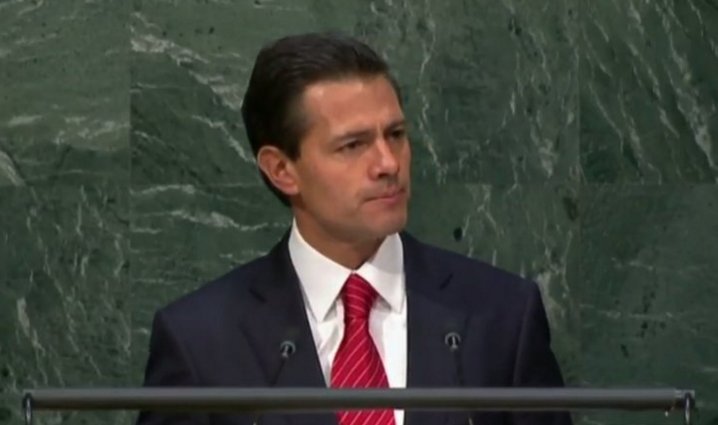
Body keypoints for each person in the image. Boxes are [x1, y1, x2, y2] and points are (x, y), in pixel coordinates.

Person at [137, 32, 572, 425]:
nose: (388, 163)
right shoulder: (201, 339)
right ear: (282, 169)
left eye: (395, 134)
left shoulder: (501, 313)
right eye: (353, 145)